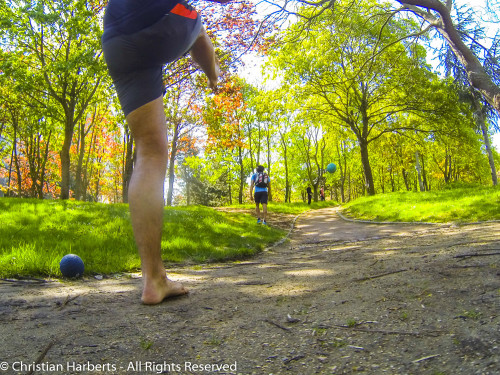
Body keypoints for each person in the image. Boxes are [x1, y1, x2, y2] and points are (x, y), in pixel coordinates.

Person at [102, 0, 230, 304]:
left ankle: (153, 280)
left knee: (149, 152)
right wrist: (213, 76)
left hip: (117, 40)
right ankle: (215, 75)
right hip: (160, 21)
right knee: (199, 29)